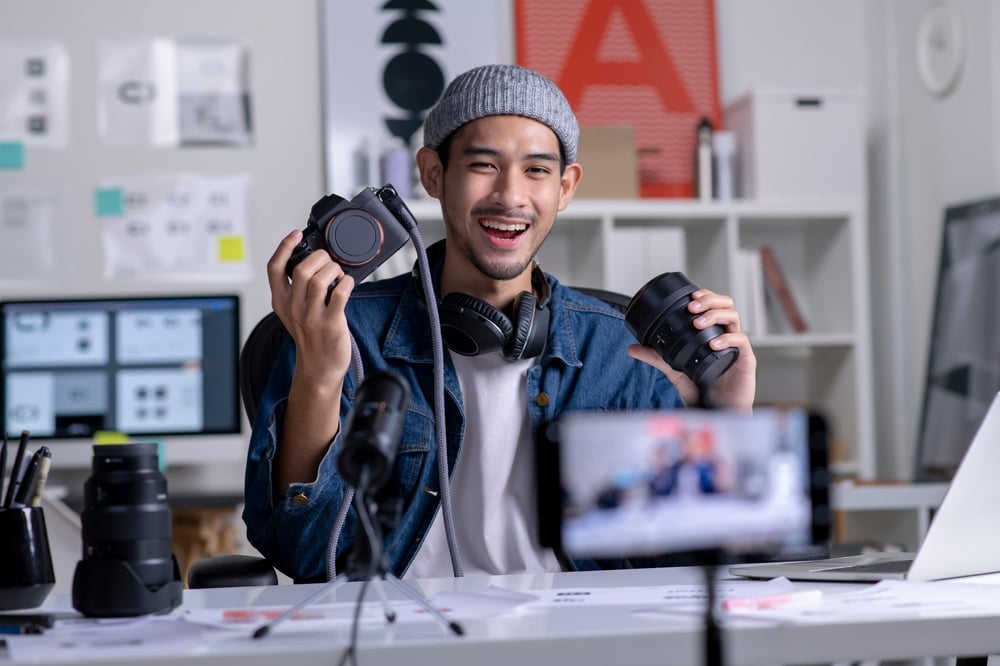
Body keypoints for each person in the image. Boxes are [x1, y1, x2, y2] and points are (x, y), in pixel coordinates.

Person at [243, 64, 757, 583]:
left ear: (566, 186)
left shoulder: (620, 350)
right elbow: (306, 558)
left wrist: (729, 420)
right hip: (400, 635)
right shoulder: (341, 328)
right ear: (433, 173)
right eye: (484, 165)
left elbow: (688, 569)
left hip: (576, 634)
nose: (510, 196)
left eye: (537, 170)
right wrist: (321, 370)